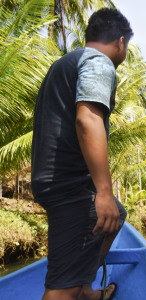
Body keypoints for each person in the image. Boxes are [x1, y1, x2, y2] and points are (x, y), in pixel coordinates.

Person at [31, 8, 133, 300]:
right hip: (70, 185)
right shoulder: (99, 63)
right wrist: (103, 192)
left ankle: (86, 289)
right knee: (62, 289)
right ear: (121, 42)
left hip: (53, 180)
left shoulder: (65, 63)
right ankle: (76, 289)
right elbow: (87, 119)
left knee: (117, 215)